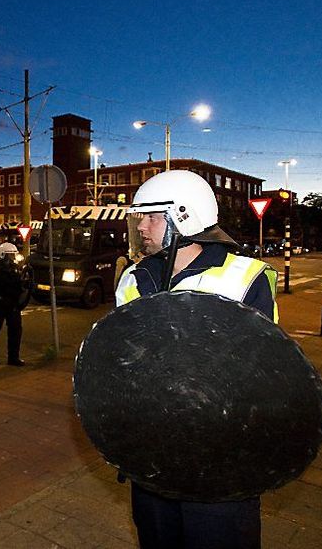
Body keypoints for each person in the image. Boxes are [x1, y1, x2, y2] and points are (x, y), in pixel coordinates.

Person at [113, 170, 278, 549]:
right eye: (139, 216)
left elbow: (262, 370)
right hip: (152, 455)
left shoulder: (246, 278)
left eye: (151, 216)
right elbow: (120, 357)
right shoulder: (133, 279)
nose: (141, 225)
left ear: (182, 218)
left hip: (219, 461)